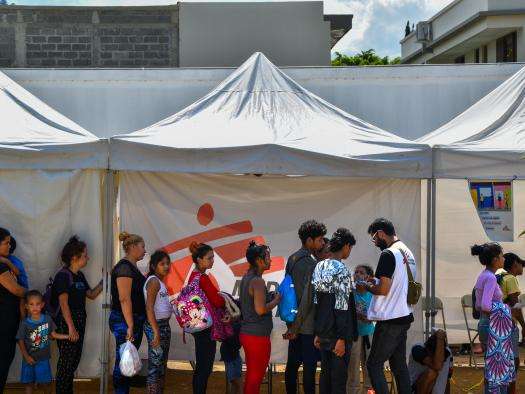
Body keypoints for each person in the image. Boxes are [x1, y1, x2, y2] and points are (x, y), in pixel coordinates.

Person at [364, 218, 416, 394]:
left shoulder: (388, 253)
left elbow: (384, 289)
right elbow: (397, 283)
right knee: (398, 364)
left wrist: (367, 286)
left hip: (390, 319)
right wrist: (376, 281)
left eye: (374, 238)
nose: (374, 242)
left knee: (373, 364)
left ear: (380, 233)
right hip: (404, 315)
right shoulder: (407, 252)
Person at [53, 236, 103, 394]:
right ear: (75, 257)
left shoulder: (79, 275)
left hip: (79, 320)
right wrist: (71, 328)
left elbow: (91, 294)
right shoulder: (63, 276)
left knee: (73, 362)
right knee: (66, 364)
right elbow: (63, 304)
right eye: (85, 255)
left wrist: (105, 281)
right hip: (68, 323)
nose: (88, 258)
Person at [284, 220, 327, 394]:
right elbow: (307, 300)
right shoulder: (312, 264)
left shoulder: (292, 258)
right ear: (309, 240)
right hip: (306, 325)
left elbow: (287, 292)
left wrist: (291, 323)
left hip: (293, 320)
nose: (323, 243)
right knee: (309, 368)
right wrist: (296, 326)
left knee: (293, 365)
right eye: (320, 240)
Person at [312, 227, 356, 394]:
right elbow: (342, 307)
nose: (349, 251)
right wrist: (342, 338)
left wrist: (318, 331)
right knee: (338, 381)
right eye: (350, 247)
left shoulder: (319, 267)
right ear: (345, 246)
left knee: (325, 376)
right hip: (338, 335)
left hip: (323, 332)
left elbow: (317, 303)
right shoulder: (342, 271)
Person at [240, 241, 281, 394]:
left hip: (250, 334)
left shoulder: (247, 277)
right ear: (259, 260)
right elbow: (260, 309)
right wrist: (276, 301)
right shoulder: (257, 280)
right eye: (268, 257)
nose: (270, 260)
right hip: (256, 336)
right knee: (255, 377)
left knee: (252, 376)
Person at [474, 243, 514, 393]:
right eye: (502, 256)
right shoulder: (490, 278)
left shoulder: (484, 275)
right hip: (492, 325)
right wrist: (504, 309)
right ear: (495, 259)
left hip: (486, 323)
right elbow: (485, 305)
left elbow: (478, 305)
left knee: (491, 367)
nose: (504, 259)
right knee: (496, 368)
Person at [109, 232, 147, 394]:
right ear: (132, 247)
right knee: (123, 360)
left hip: (131, 320)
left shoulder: (130, 267)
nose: (145, 250)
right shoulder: (124, 268)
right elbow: (124, 299)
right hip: (124, 321)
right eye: (142, 246)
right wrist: (130, 325)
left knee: (127, 359)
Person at [188, 242, 226, 394]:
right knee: (205, 367)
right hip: (205, 327)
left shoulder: (193, 276)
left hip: (198, 325)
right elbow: (217, 301)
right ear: (199, 259)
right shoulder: (202, 278)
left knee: (201, 366)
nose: (212, 261)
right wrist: (225, 298)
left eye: (213, 257)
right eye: (209, 258)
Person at [17, 290, 69, 394]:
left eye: (37, 304)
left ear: (42, 305)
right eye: (31, 304)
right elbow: (20, 340)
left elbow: (53, 335)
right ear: (26, 306)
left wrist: (67, 336)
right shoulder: (24, 323)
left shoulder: (47, 319)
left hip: (43, 359)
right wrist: (26, 356)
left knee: (46, 384)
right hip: (29, 360)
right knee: (29, 384)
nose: (35, 307)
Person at [0, 227, 26, 391]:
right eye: (6, 243)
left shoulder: (5, 263)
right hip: (3, 324)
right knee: (2, 363)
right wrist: (31, 293)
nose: (10, 246)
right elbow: (16, 290)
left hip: (7, 321)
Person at [144, 250, 172, 394]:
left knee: (161, 366)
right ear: (154, 266)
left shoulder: (159, 282)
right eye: (162, 264)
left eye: (168, 263)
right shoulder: (154, 281)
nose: (166, 266)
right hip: (157, 326)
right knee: (155, 367)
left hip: (163, 326)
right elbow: (149, 307)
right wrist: (155, 331)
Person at [497, 252, 524, 394]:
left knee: (504, 360)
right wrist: (524, 326)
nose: (522, 267)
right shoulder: (511, 279)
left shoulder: (500, 278)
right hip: (508, 324)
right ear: (515, 264)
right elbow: (515, 307)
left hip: (498, 323)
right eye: (521, 264)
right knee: (513, 362)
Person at [347, 264, 375, 394]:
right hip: (354, 334)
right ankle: (353, 391)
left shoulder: (373, 293)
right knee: (353, 366)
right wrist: (356, 315)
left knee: (369, 366)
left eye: (361, 272)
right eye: (356, 272)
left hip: (369, 333)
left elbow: (379, 312)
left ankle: (369, 390)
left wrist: (371, 317)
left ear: (368, 277)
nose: (357, 274)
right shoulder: (350, 293)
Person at [408, 330, 452, 394]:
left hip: (431, 388)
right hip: (413, 389)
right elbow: (437, 365)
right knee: (432, 373)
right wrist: (440, 339)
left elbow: (446, 379)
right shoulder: (417, 349)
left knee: (445, 379)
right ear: (428, 350)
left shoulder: (446, 352)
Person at [221, 314, 242, 394]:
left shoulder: (238, 323)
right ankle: (240, 389)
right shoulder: (231, 324)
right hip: (229, 354)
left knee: (235, 377)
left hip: (234, 353)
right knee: (233, 378)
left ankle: (238, 389)